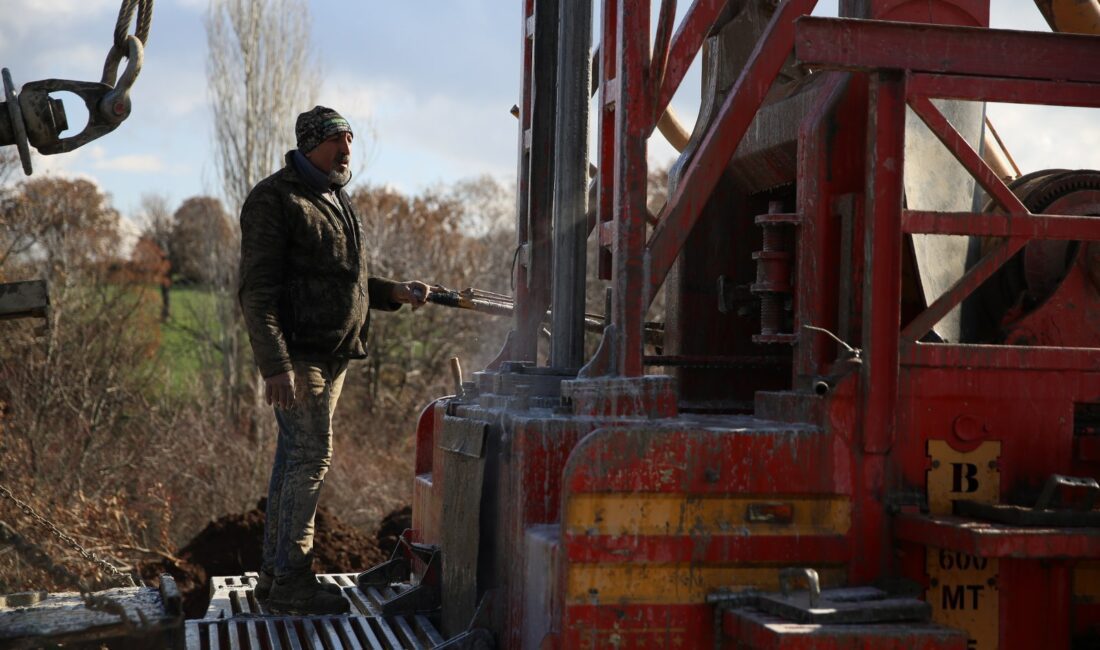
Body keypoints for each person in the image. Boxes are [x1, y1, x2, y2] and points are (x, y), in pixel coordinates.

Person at [238, 106, 429, 615]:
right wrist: (275, 365)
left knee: (294, 459)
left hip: (333, 353)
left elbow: (345, 280)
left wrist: (394, 292)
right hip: (300, 357)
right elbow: (257, 293)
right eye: (337, 141)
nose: (347, 150)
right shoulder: (275, 199)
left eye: (350, 140)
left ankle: (276, 579)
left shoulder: (335, 198)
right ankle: (293, 583)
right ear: (309, 145)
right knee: (309, 459)